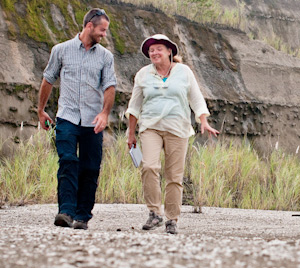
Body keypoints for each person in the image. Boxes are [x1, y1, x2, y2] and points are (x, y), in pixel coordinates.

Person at [126, 34, 219, 234]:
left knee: (174, 176)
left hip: (178, 129)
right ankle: (154, 213)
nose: (154, 52)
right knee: (149, 166)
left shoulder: (184, 72)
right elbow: (134, 107)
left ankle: (172, 219)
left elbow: (196, 98)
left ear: (170, 51)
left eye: (159, 48)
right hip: (150, 126)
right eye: (151, 50)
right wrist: (130, 134)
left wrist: (203, 120)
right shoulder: (143, 74)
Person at [38, 8, 117, 230]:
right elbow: (48, 79)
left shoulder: (105, 57)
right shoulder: (61, 50)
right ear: (89, 26)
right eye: (102, 30)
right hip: (67, 117)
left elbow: (110, 85)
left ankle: (82, 216)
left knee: (90, 167)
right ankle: (65, 211)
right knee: (68, 161)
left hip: (93, 120)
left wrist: (104, 113)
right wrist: (41, 110)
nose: (104, 35)